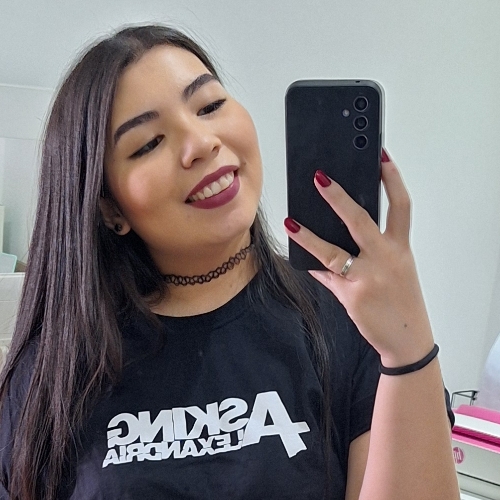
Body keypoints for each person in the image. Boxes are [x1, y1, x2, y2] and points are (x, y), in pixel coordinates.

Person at [0, 24, 459, 500]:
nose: (201, 142)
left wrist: (407, 350)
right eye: (148, 143)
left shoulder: (350, 318)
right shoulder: (52, 374)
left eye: (209, 106)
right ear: (109, 209)